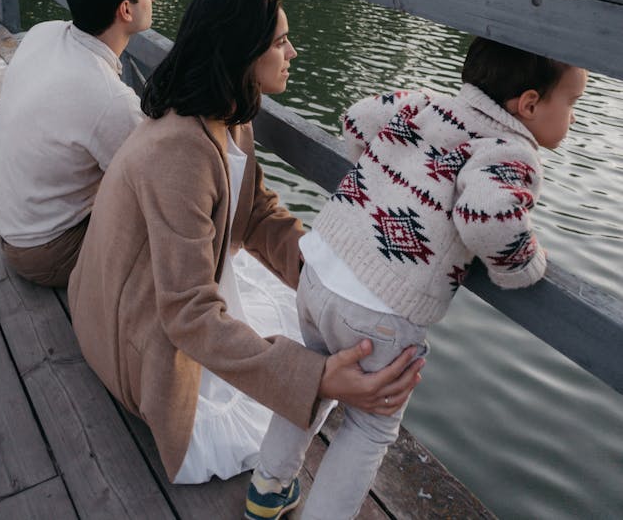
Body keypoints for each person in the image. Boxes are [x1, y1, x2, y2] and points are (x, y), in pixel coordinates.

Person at [68, 0, 424, 485]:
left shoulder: (226, 111)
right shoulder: (180, 153)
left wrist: (324, 276)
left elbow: (255, 211)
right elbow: (188, 313)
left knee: (311, 316)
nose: (293, 52)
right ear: (242, 51)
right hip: (136, 338)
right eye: (280, 42)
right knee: (298, 373)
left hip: (144, 296)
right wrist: (319, 380)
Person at [245, 38, 588, 520]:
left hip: (321, 266)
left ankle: (267, 489)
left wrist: (390, 183)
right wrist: (527, 263)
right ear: (529, 104)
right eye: (572, 103)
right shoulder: (511, 151)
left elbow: (359, 119)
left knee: (314, 376)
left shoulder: (427, 103)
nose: (573, 116)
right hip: (380, 308)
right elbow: (489, 219)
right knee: (368, 428)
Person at [0, 0, 155, 287]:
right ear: (125, 9)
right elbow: (153, 186)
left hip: (11, 227)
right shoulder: (109, 99)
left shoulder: (42, 33)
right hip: (45, 253)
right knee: (167, 227)